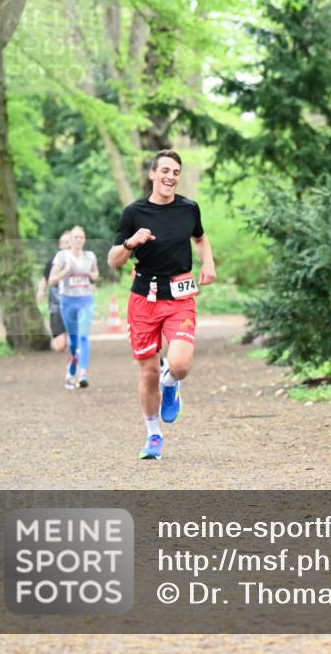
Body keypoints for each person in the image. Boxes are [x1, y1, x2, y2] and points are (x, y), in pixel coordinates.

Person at [107, 150, 216, 460]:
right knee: (148, 373)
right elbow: (114, 260)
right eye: (165, 170)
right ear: (152, 174)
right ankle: (153, 434)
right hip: (144, 299)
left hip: (180, 295)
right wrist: (130, 243)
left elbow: (200, 238)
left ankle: (172, 382)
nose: (171, 177)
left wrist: (208, 262)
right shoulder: (134, 213)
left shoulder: (188, 208)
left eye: (176, 172)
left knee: (179, 365)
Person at [48, 226, 98, 389]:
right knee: (73, 341)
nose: (78, 240)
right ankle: (71, 369)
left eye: (81, 237)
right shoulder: (62, 256)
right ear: (71, 239)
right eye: (76, 237)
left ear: (84, 239)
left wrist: (91, 275)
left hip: (85, 301)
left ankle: (83, 374)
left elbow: (95, 274)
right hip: (67, 301)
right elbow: (51, 280)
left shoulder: (90, 256)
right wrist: (66, 270)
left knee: (83, 336)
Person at [37, 231, 71, 353]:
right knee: (59, 347)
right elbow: (45, 279)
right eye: (64, 242)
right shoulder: (53, 262)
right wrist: (41, 290)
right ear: (60, 245)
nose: (67, 245)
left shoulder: (79, 260)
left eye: (69, 242)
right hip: (56, 302)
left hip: (73, 300)